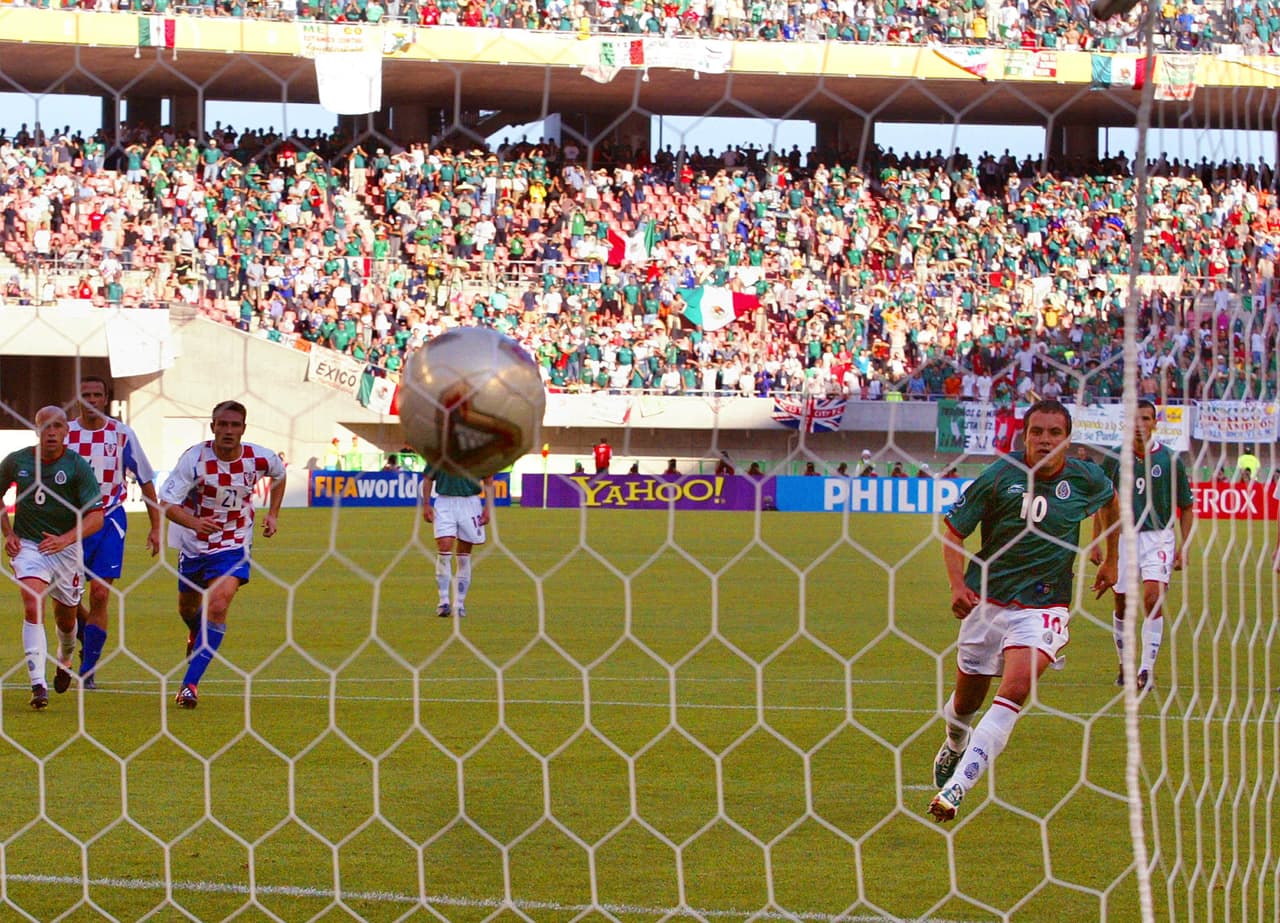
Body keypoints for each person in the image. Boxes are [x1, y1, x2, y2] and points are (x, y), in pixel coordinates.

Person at [928, 399, 1119, 823]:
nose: (1045, 440)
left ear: (1067, 438)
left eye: (1055, 432)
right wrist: (958, 586)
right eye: (1037, 432)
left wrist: (1111, 558)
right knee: (965, 704)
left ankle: (956, 789)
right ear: (1025, 436)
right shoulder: (999, 476)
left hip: (1044, 606)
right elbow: (953, 532)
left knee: (1014, 690)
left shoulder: (1086, 477)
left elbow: (1111, 501)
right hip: (987, 602)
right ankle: (955, 742)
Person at [159, 401, 286, 709]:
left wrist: (273, 514)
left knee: (218, 605)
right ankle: (196, 633)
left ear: (244, 428)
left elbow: (280, 475)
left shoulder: (259, 457)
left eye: (235, 425)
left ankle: (189, 685)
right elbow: (166, 503)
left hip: (234, 543)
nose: (229, 430)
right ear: (213, 426)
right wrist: (194, 523)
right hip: (194, 543)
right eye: (223, 424)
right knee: (188, 609)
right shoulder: (194, 459)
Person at [0, 406, 103, 709]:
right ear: (37, 430)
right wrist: (8, 532)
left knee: (66, 619)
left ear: (66, 431)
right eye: (46, 426)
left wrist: (65, 539)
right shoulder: (17, 461)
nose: (52, 432)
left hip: (66, 550)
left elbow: (96, 517)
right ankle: (38, 685)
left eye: (58, 426)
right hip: (30, 546)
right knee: (33, 603)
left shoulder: (76, 466)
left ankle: (65, 658)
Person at [1091, 400, 1194, 692]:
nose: (1140, 425)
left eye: (1146, 419)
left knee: (1152, 598)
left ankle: (1146, 670)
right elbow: (1103, 503)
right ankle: (1124, 664)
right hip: (1122, 539)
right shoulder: (1114, 458)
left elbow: (1186, 507)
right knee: (1122, 603)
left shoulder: (1170, 460)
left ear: (1155, 423)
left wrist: (1184, 546)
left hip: (1158, 537)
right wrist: (1097, 542)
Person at [66, 376, 161, 689]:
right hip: (72, 523)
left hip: (109, 519)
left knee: (100, 593)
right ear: (78, 398)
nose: (92, 399)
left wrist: (156, 527)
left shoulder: (121, 433)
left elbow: (145, 479)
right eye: (86, 394)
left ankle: (88, 669)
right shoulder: (66, 433)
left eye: (97, 394)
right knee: (65, 599)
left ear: (105, 398)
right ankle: (87, 635)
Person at [422, 465, 494, 618]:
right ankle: (443, 602)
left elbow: (488, 479)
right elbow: (428, 478)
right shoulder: (439, 453)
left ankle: (459, 604)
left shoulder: (478, 455)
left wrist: (488, 508)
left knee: (464, 553)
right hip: (444, 502)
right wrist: (426, 504)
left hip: (470, 502)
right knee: (444, 546)